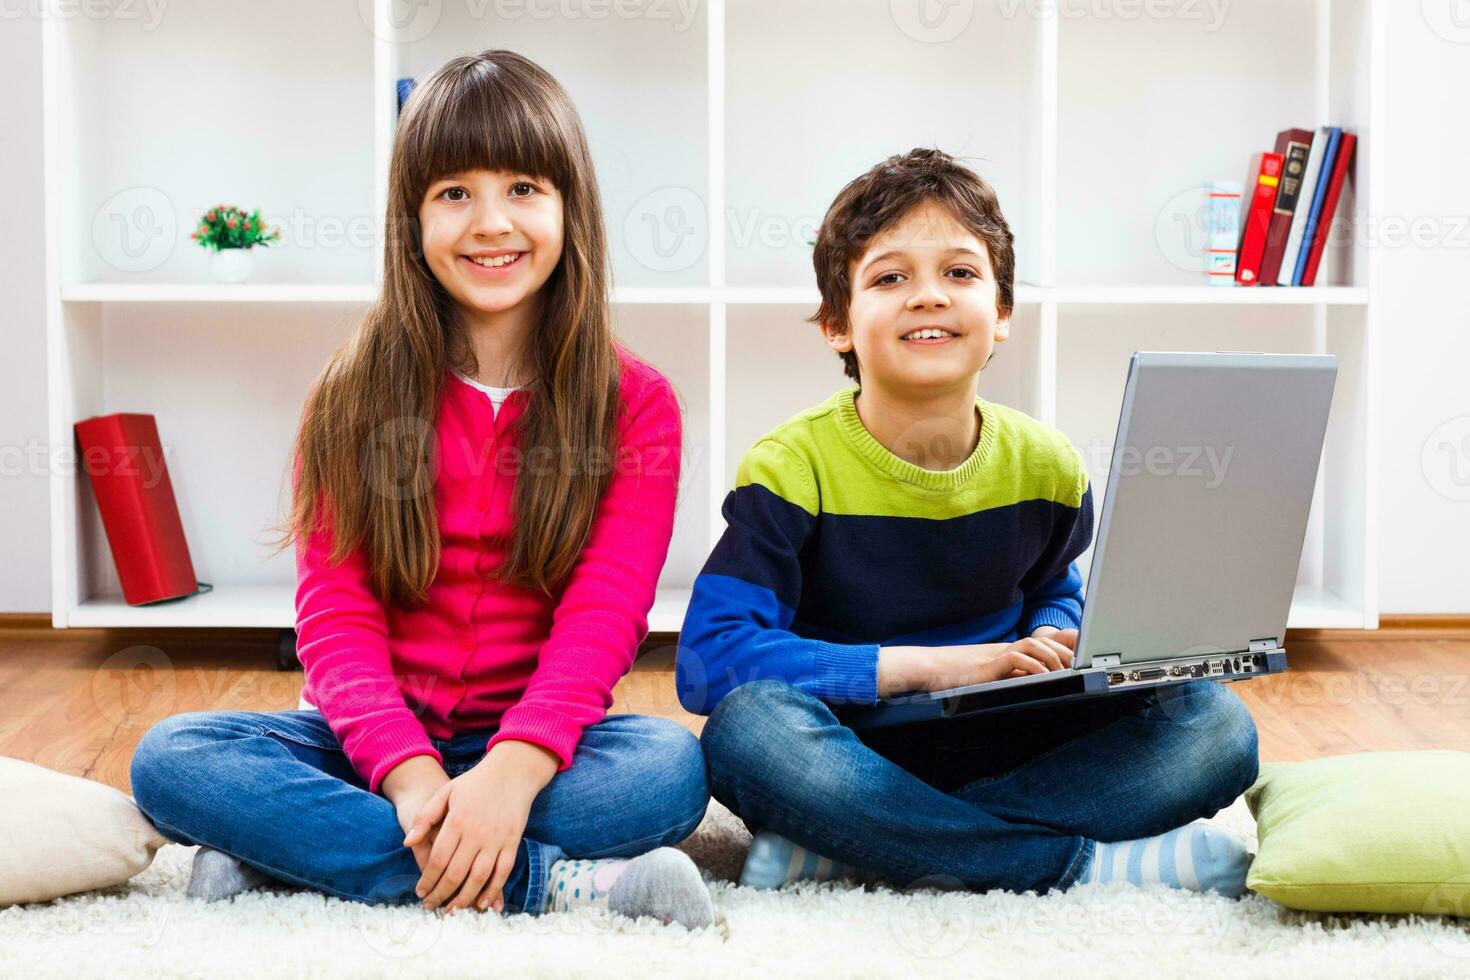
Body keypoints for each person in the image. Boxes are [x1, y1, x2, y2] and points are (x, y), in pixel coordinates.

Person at [131, 50, 713, 928]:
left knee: (668, 770)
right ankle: (542, 884)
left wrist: (511, 776)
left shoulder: (636, 404)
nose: (491, 224)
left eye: (523, 188)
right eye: (453, 194)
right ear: (411, 219)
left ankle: (298, 860)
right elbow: (335, 617)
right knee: (173, 758)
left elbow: (605, 616)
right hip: (361, 742)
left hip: (538, 748)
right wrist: (407, 776)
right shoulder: (354, 391)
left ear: (570, 208)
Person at [676, 147, 1259, 899]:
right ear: (836, 325)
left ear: (1003, 314)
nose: (928, 297)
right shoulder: (791, 466)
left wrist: (1057, 630)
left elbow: (1054, 584)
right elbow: (711, 660)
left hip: (1016, 740)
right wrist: (934, 665)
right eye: (890, 278)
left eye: (959, 273)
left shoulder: (1047, 465)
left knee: (1217, 725)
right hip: (854, 749)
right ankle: (1073, 864)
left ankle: (867, 850)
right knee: (746, 730)